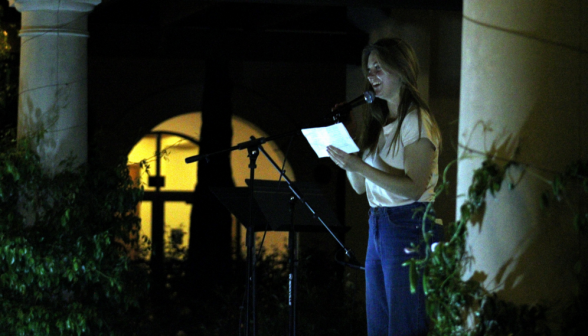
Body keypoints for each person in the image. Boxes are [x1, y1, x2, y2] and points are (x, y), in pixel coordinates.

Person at [327, 37, 442, 336]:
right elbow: (359, 187)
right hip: (378, 224)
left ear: (402, 70)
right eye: (368, 69)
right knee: (378, 326)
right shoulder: (379, 122)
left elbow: (414, 188)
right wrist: (348, 138)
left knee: (405, 325)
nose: (371, 76)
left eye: (379, 68)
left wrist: (359, 165)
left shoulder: (416, 121)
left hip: (407, 224)